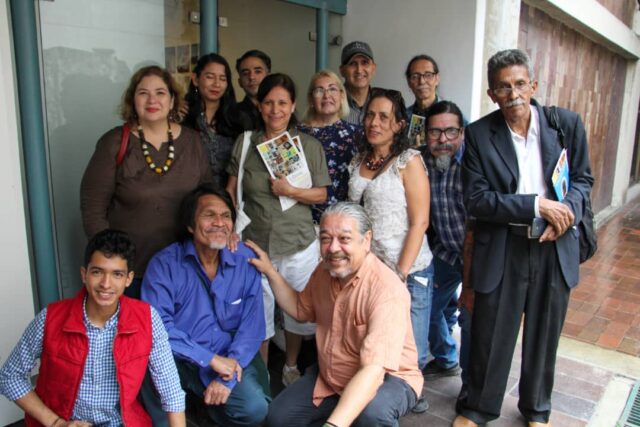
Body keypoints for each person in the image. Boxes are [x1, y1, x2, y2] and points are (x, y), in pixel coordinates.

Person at [453, 49, 594, 427]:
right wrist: (536, 205)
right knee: (492, 334)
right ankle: (478, 408)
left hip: (554, 244)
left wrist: (566, 212)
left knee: (545, 334)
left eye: (519, 84)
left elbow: (583, 180)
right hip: (504, 245)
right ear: (491, 93)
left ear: (533, 85)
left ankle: (537, 409)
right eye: (503, 87)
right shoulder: (479, 135)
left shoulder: (565, 125)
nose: (513, 94)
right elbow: (476, 200)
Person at [246, 202, 423, 427]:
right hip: (334, 375)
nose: (333, 248)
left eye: (344, 238)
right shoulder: (324, 271)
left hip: (389, 377)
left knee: (372, 415)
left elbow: (373, 370)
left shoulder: (386, 289)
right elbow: (300, 308)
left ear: (366, 240)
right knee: (278, 418)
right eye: (325, 238)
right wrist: (270, 270)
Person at [0, 229, 186, 427]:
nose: (106, 284)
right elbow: (9, 376)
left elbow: (171, 390)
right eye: (97, 272)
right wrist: (56, 422)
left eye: (117, 274)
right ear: (84, 274)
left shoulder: (147, 319)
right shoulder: (51, 318)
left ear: (128, 279)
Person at [226, 73, 331, 384]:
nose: (275, 110)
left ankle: (291, 365)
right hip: (254, 242)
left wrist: (291, 191)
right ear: (259, 106)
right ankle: (262, 377)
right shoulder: (246, 143)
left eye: (282, 103)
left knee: (298, 308)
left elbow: (321, 195)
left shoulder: (308, 146)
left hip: (297, 242)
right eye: (269, 102)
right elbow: (231, 190)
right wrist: (231, 225)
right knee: (258, 312)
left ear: (293, 105)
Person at [141, 185, 269, 427]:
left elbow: (252, 326)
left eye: (226, 216)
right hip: (180, 358)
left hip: (228, 355)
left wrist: (226, 377)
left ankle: (208, 411)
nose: (219, 223)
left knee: (254, 409)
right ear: (190, 225)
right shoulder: (164, 265)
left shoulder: (244, 259)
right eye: (209, 215)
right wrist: (208, 358)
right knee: (144, 360)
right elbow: (157, 327)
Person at [80, 65, 212, 297]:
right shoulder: (113, 142)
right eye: (143, 93)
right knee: (134, 321)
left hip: (184, 266)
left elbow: (207, 198)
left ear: (172, 101)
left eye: (160, 92)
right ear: (133, 100)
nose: (152, 100)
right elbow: (93, 207)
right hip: (131, 270)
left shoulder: (192, 142)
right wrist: (111, 260)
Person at [347, 88, 432, 413]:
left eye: (384, 117)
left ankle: (402, 399)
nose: (374, 122)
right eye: (370, 115)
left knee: (409, 351)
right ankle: (375, 399)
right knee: (375, 342)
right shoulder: (358, 160)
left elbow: (420, 222)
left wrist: (400, 273)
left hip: (408, 269)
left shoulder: (409, 161)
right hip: (370, 271)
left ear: (399, 124)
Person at [420, 101, 468, 383]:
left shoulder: (475, 161)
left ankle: (474, 386)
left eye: (450, 131)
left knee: (472, 318)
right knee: (425, 305)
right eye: (435, 132)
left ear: (461, 132)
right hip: (445, 252)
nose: (442, 140)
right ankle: (447, 359)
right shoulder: (420, 160)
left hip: (478, 255)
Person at [298, 69, 361, 223]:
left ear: (342, 95)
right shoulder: (296, 134)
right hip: (303, 221)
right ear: (311, 99)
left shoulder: (357, 134)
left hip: (344, 221)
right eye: (319, 90)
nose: (326, 95)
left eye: (332, 89)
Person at [183, 53, 249, 189]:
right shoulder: (183, 115)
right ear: (195, 79)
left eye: (222, 78)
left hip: (229, 195)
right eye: (210, 77)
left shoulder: (238, 119)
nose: (216, 84)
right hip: (190, 194)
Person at [340, 41, 377, 125]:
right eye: (352, 63)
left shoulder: (384, 104)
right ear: (342, 70)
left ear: (373, 68)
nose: (359, 70)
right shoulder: (331, 103)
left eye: (365, 63)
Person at [235, 49, 271, 129]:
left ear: (269, 77)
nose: (251, 77)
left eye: (258, 71)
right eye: (245, 73)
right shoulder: (232, 114)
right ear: (240, 82)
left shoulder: (280, 110)